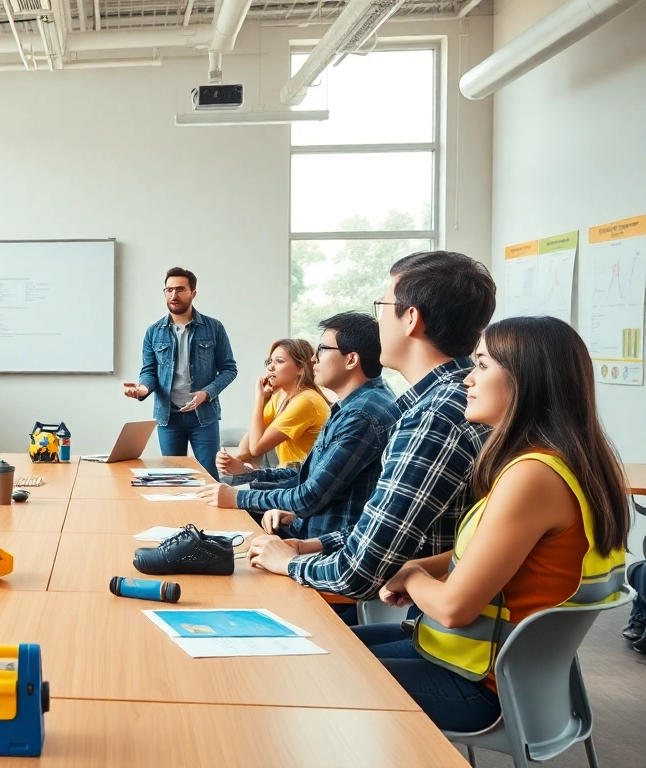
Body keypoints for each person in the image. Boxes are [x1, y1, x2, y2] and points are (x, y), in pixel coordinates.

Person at [352, 316, 629, 732]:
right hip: (481, 669)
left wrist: (410, 574)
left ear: (525, 380)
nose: (467, 379)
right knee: (324, 647)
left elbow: (451, 609)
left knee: (320, 669)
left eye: (481, 365)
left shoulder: (532, 477)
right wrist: (426, 569)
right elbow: (485, 554)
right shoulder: (566, 463)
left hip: (479, 687)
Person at [246, 251, 496, 602]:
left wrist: (290, 563)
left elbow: (357, 573)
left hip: (428, 625)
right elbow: (386, 530)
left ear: (411, 318)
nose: (377, 322)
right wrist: (310, 545)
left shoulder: (433, 420)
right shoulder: (455, 399)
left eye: (382, 306)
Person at [197, 313, 400, 547]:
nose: (313, 359)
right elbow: (305, 474)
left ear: (351, 360)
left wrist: (239, 497)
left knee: (214, 534)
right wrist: (250, 477)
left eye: (322, 349)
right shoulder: (353, 405)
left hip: (322, 543)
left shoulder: (361, 415)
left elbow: (309, 496)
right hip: (307, 525)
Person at [123, 267, 237, 478]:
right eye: (169, 290)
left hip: (204, 417)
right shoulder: (153, 331)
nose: (173, 295)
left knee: (208, 476)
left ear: (193, 293)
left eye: (180, 290)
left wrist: (207, 393)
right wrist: (142, 389)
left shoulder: (214, 328)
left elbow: (229, 369)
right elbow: (149, 372)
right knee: (173, 478)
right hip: (168, 417)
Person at [215, 338, 328, 472]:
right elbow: (253, 438)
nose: (270, 367)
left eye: (279, 361)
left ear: (301, 368)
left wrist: (259, 398)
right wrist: (233, 460)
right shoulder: (280, 395)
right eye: (269, 362)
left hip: (305, 478)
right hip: (289, 473)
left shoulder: (306, 401)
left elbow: (256, 448)